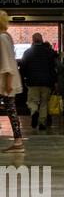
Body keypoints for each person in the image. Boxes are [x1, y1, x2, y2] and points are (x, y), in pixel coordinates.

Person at [21, 32, 59, 132]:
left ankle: (34, 112)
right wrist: (55, 81)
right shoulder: (49, 52)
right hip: (47, 82)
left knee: (32, 101)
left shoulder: (27, 52)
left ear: (33, 40)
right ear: (42, 40)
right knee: (44, 103)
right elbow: (53, 68)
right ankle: (42, 122)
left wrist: (24, 78)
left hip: (32, 81)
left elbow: (23, 67)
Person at [0, 11, 25, 154]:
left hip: (5, 82)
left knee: (11, 110)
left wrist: (8, 83)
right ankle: (18, 141)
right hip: (7, 80)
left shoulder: (2, 38)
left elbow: (6, 61)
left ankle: (18, 141)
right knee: (11, 110)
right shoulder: (6, 37)